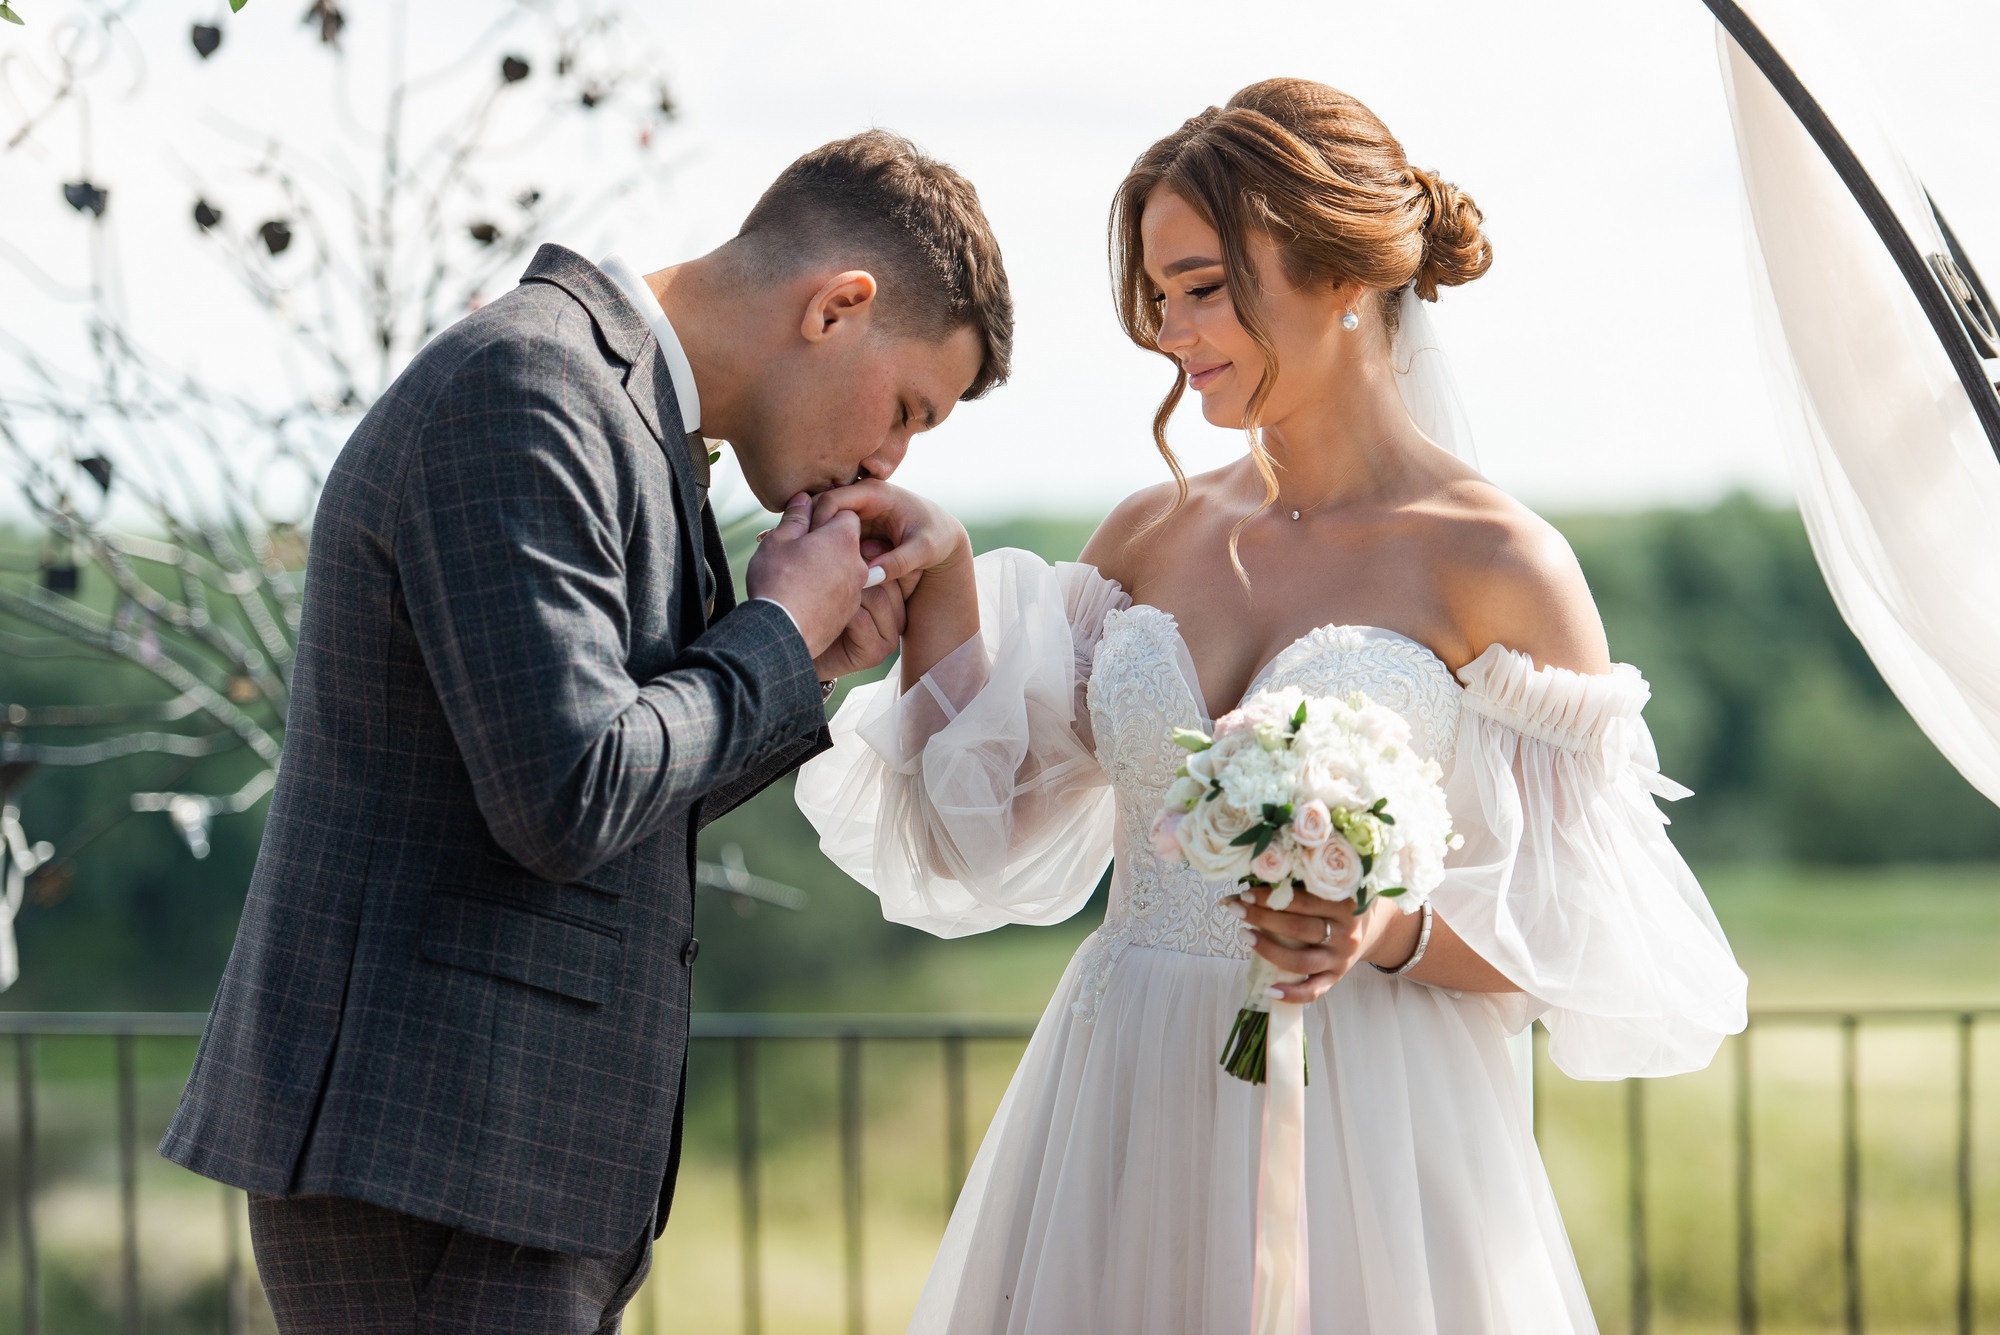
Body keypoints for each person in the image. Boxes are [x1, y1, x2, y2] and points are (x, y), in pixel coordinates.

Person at [797, 79, 1747, 1333]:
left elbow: (1589, 947)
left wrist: (1383, 930)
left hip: (1366, 1127)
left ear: (1337, 273)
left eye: (1201, 289)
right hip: (1122, 1100)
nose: (1171, 333)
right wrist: (944, 583)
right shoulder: (1147, 533)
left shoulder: (1496, 564)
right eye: (1158, 297)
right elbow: (991, 833)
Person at [160, 129, 1012, 1334]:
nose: (889, 457)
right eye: (909, 408)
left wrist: (802, 663)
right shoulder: (530, 388)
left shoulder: (626, 417)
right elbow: (566, 795)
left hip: (497, 1172)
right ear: (838, 306)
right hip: (434, 1164)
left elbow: (608, 794)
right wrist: (770, 627)